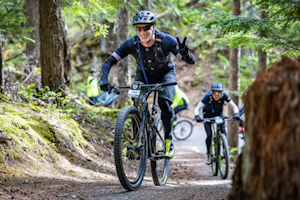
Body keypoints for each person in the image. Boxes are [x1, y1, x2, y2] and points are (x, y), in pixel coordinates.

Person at [99, 10, 195, 158]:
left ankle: (168, 141)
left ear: (153, 27)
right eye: (139, 28)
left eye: (146, 28)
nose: (142, 32)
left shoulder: (166, 41)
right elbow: (109, 61)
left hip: (165, 75)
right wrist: (104, 79)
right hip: (143, 75)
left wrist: (186, 53)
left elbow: (190, 61)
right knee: (136, 100)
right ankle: (138, 141)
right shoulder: (131, 43)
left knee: (163, 103)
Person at [194, 82, 239, 164]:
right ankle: (208, 154)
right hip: (207, 116)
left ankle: (225, 150)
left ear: (222, 92)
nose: (217, 94)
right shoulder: (208, 96)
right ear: (211, 92)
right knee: (209, 135)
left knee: (223, 132)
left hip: (219, 116)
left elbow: (234, 106)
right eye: (214, 92)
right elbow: (197, 108)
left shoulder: (224, 96)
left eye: (219, 92)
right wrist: (197, 116)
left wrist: (236, 114)